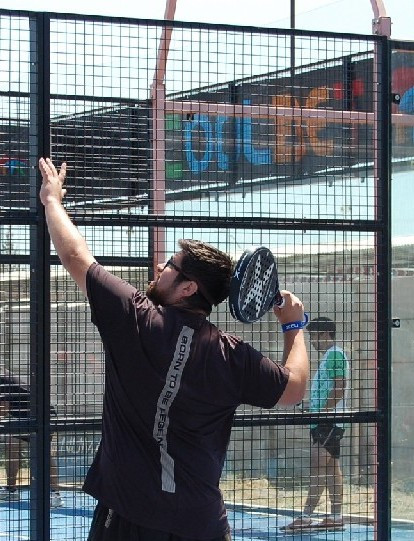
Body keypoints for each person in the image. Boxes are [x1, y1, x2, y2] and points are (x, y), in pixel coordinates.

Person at [38, 157, 309, 541]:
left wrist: (52, 200)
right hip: (200, 525)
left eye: (170, 266)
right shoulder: (232, 356)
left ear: (188, 288)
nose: (160, 270)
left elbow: (75, 256)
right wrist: (294, 325)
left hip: (129, 520)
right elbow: (294, 388)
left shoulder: (137, 319)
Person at [283, 316, 350, 531]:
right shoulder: (328, 357)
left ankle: (306, 517)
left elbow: (339, 388)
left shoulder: (335, 354)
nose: (312, 341)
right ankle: (336, 517)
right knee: (331, 468)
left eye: (314, 336)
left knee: (318, 466)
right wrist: (311, 407)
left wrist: (322, 412)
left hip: (328, 421)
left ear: (325, 334)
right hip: (324, 420)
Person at [0, 348, 64, 507]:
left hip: (42, 417)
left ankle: (55, 495)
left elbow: (3, 410)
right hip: (25, 420)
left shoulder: (1, 379)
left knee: (44, 453)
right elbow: (5, 409)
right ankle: (11, 490)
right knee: (12, 445)